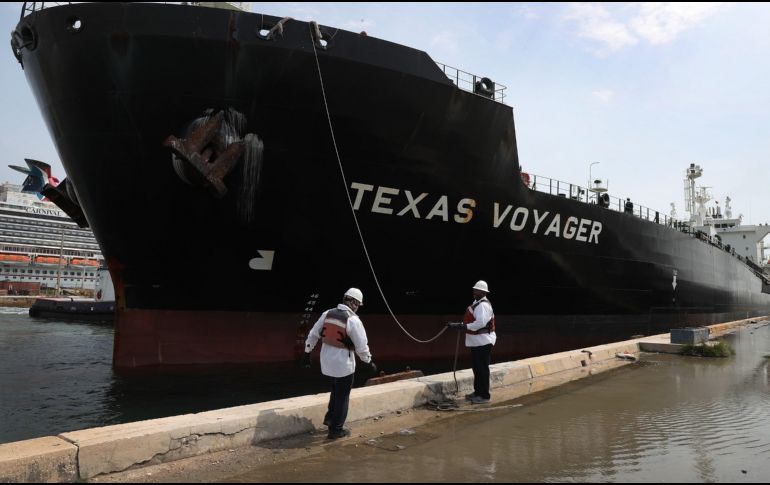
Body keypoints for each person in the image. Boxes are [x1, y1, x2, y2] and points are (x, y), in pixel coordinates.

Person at [301, 288, 376, 439]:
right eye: (358, 304)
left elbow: (313, 334)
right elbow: (362, 346)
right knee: (343, 396)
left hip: (327, 362)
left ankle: (330, 418)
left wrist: (307, 352)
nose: (357, 307)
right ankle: (336, 430)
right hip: (343, 365)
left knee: (335, 389)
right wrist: (369, 362)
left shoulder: (327, 314)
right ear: (354, 303)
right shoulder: (353, 320)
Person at [448, 280, 496, 404]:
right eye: (474, 290)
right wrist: (459, 325)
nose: (474, 292)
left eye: (477, 290)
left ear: (484, 292)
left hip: (483, 341)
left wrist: (464, 327)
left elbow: (480, 323)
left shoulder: (483, 305)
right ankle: (477, 392)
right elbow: (472, 321)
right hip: (476, 341)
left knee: (482, 369)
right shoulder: (477, 303)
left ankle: (484, 396)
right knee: (476, 368)